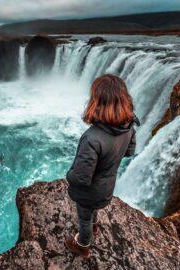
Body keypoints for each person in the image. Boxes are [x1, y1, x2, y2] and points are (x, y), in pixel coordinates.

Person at [65, 74, 139, 257]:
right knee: (93, 210)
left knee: (84, 217)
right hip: (107, 186)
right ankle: (95, 227)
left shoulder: (91, 138)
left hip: (88, 192)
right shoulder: (128, 126)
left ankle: (83, 244)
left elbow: (82, 178)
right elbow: (129, 152)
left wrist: (69, 175)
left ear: (96, 102)